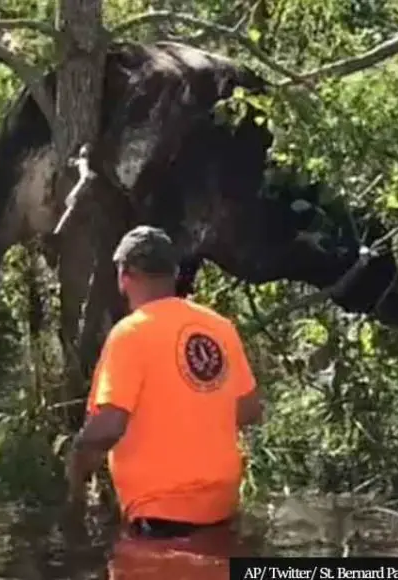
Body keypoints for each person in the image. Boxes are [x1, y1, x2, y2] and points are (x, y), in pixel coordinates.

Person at [64, 226, 264, 572]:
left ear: (124, 276)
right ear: (174, 273)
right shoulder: (218, 327)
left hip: (159, 519)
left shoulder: (131, 334)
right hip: (222, 510)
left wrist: (76, 478)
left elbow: (108, 427)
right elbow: (248, 410)